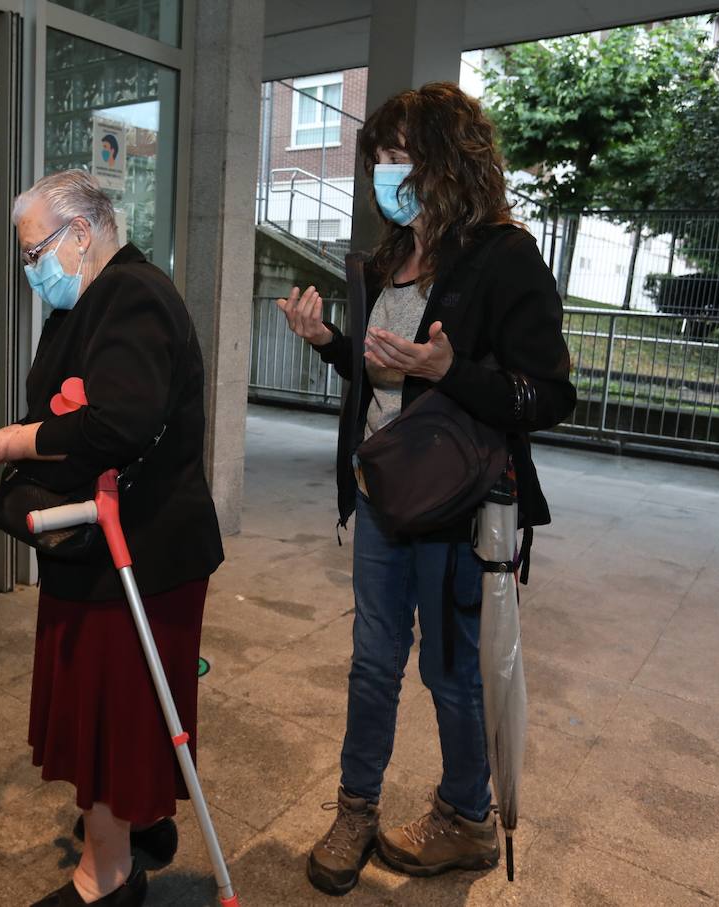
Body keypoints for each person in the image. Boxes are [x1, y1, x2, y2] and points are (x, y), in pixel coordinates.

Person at [275, 82, 576, 896]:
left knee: (451, 671)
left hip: (461, 507)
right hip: (383, 495)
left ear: (450, 159)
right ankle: (355, 806)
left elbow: (548, 396)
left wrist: (454, 371)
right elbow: (381, 379)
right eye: (377, 155)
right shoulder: (388, 256)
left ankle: (466, 816)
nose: (384, 169)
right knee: (373, 662)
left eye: (400, 154)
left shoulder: (503, 256)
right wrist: (331, 341)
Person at [0, 170, 224, 907]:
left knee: (111, 708)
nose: (33, 270)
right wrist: (5, 448)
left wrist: (9, 442)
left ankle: (109, 874)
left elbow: (119, 421)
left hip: (139, 551)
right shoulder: (93, 300)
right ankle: (139, 820)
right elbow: (69, 423)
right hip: (104, 542)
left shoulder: (133, 294)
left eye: (35, 252)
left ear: (82, 233)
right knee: (124, 706)